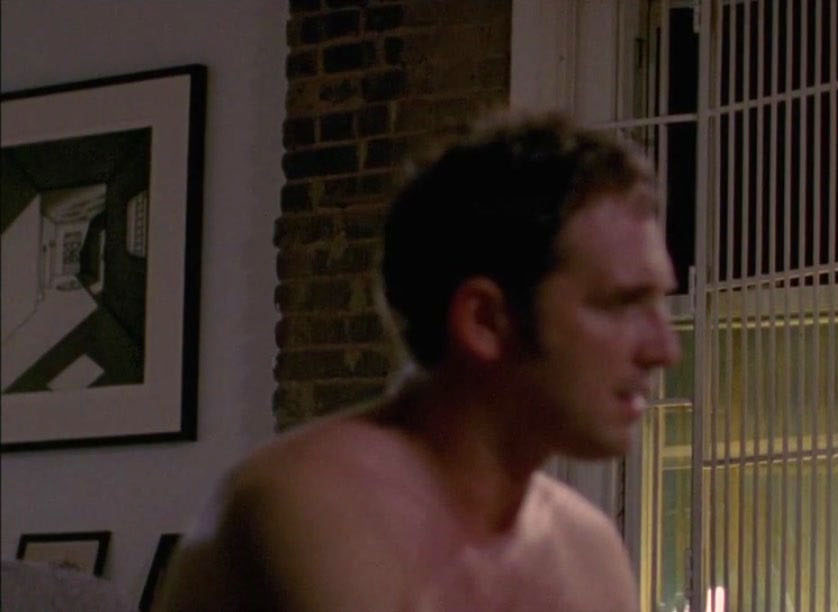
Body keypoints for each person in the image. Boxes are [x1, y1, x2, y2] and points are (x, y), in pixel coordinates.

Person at [156, 113, 680, 611]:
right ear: (486, 321)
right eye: (621, 304)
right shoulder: (313, 510)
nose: (664, 350)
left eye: (659, 303)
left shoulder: (589, 554)